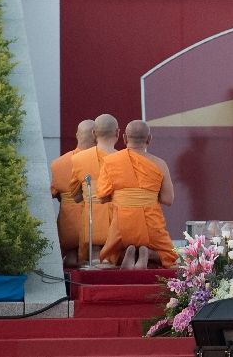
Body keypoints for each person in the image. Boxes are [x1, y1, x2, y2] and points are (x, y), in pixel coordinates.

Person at [96, 120, 176, 269]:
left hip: (121, 223)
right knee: (169, 255)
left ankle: (128, 252)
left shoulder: (111, 162)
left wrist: (125, 195)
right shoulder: (160, 164)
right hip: (151, 221)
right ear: (149, 139)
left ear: (125, 138)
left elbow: (102, 197)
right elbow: (168, 199)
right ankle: (148, 253)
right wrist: (146, 195)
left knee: (111, 255)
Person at [69, 113, 120, 263]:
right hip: (117, 222)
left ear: (93, 133)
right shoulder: (125, 159)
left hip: (91, 223)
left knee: (94, 256)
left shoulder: (78, 159)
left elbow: (75, 195)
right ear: (117, 133)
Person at [50, 120, 96, 266]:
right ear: (96, 136)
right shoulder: (106, 160)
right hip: (94, 224)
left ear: (77, 135)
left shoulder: (58, 163)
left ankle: (71, 255)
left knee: (70, 250)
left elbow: (54, 192)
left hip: (68, 226)